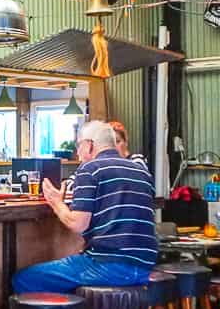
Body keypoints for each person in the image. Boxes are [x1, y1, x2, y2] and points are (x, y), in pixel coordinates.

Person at [13, 120, 157, 294]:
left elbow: (78, 224)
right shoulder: (140, 171)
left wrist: (56, 202)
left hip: (109, 265)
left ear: (90, 145)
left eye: (79, 145)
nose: (77, 152)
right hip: (145, 266)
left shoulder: (90, 169)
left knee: (24, 279)